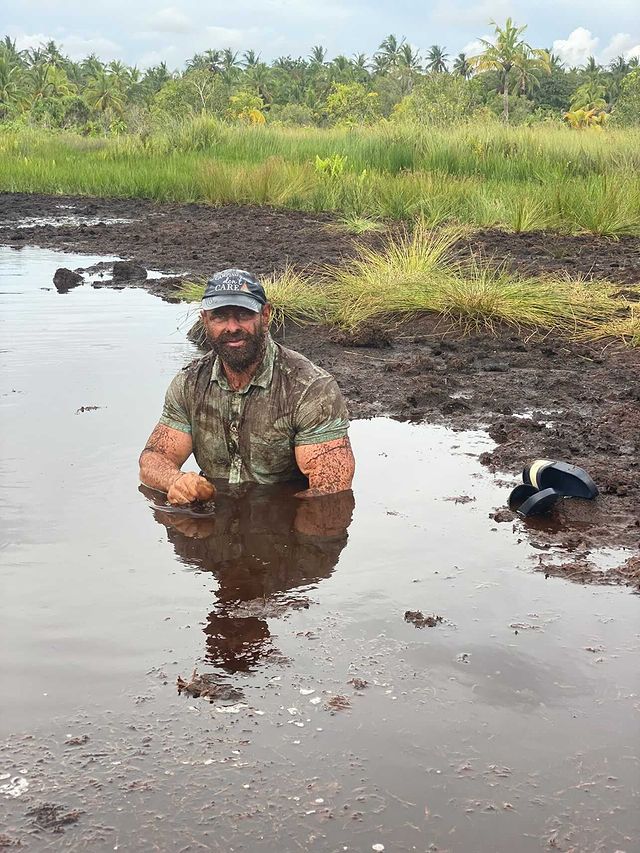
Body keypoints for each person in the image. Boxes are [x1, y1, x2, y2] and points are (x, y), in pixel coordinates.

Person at [139, 269, 355, 504]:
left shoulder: (311, 389)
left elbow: (331, 492)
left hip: (283, 521)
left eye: (242, 315)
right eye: (219, 317)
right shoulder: (189, 383)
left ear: (265, 315)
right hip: (216, 525)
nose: (231, 327)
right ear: (205, 320)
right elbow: (154, 460)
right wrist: (176, 481)